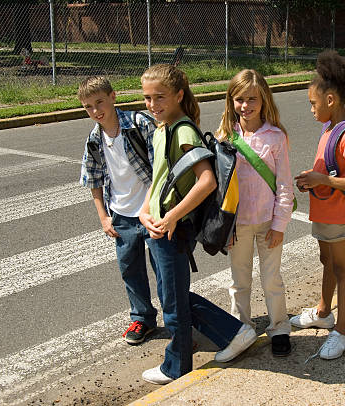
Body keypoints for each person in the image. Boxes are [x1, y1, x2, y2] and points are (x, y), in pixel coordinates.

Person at [138, 64, 257, 385]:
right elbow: (160, 175)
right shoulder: (161, 128)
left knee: (173, 302)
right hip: (158, 224)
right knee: (171, 293)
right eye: (147, 98)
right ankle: (234, 333)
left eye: (160, 97)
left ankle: (176, 366)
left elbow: (205, 181)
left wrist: (173, 216)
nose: (152, 104)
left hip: (174, 227)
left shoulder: (183, 130)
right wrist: (144, 210)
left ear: (179, 95)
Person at [290, 51, 345, 360]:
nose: (311, 108)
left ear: (331, 100)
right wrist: (312, 180)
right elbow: (328, 171)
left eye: (313, 102)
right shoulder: (328, 129)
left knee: (340, 267)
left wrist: (322, 180)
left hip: (338, 214)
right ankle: (324, 311)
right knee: (327, 261)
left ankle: (342, 330)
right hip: (324, 212)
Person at [216, 69, 294, 357]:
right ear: (231, 101)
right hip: (238, 225)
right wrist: (225, 226)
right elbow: (221, 187)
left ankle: (279, 327)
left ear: (264, 101)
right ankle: (242, 329)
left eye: (252, 100)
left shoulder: (275, 137)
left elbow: (285, 184)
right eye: (239, 100)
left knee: (272, 278)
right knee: (239, 281)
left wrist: (279, 225)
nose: (246, 106)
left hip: (268, 222)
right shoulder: (225, 135)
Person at [78, 76, 159, 345]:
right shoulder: (94, 138)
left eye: (99, 102)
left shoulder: (139, 124)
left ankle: (176, 320)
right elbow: (93, 178)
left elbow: (161, 167)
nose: (95, 111)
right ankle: (142, 318)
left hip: (151, 211)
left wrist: (153, 207)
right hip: (121, 215)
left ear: (113, 97)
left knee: (164, 269)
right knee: (130, 269)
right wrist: (103, 216)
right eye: (88, 107)